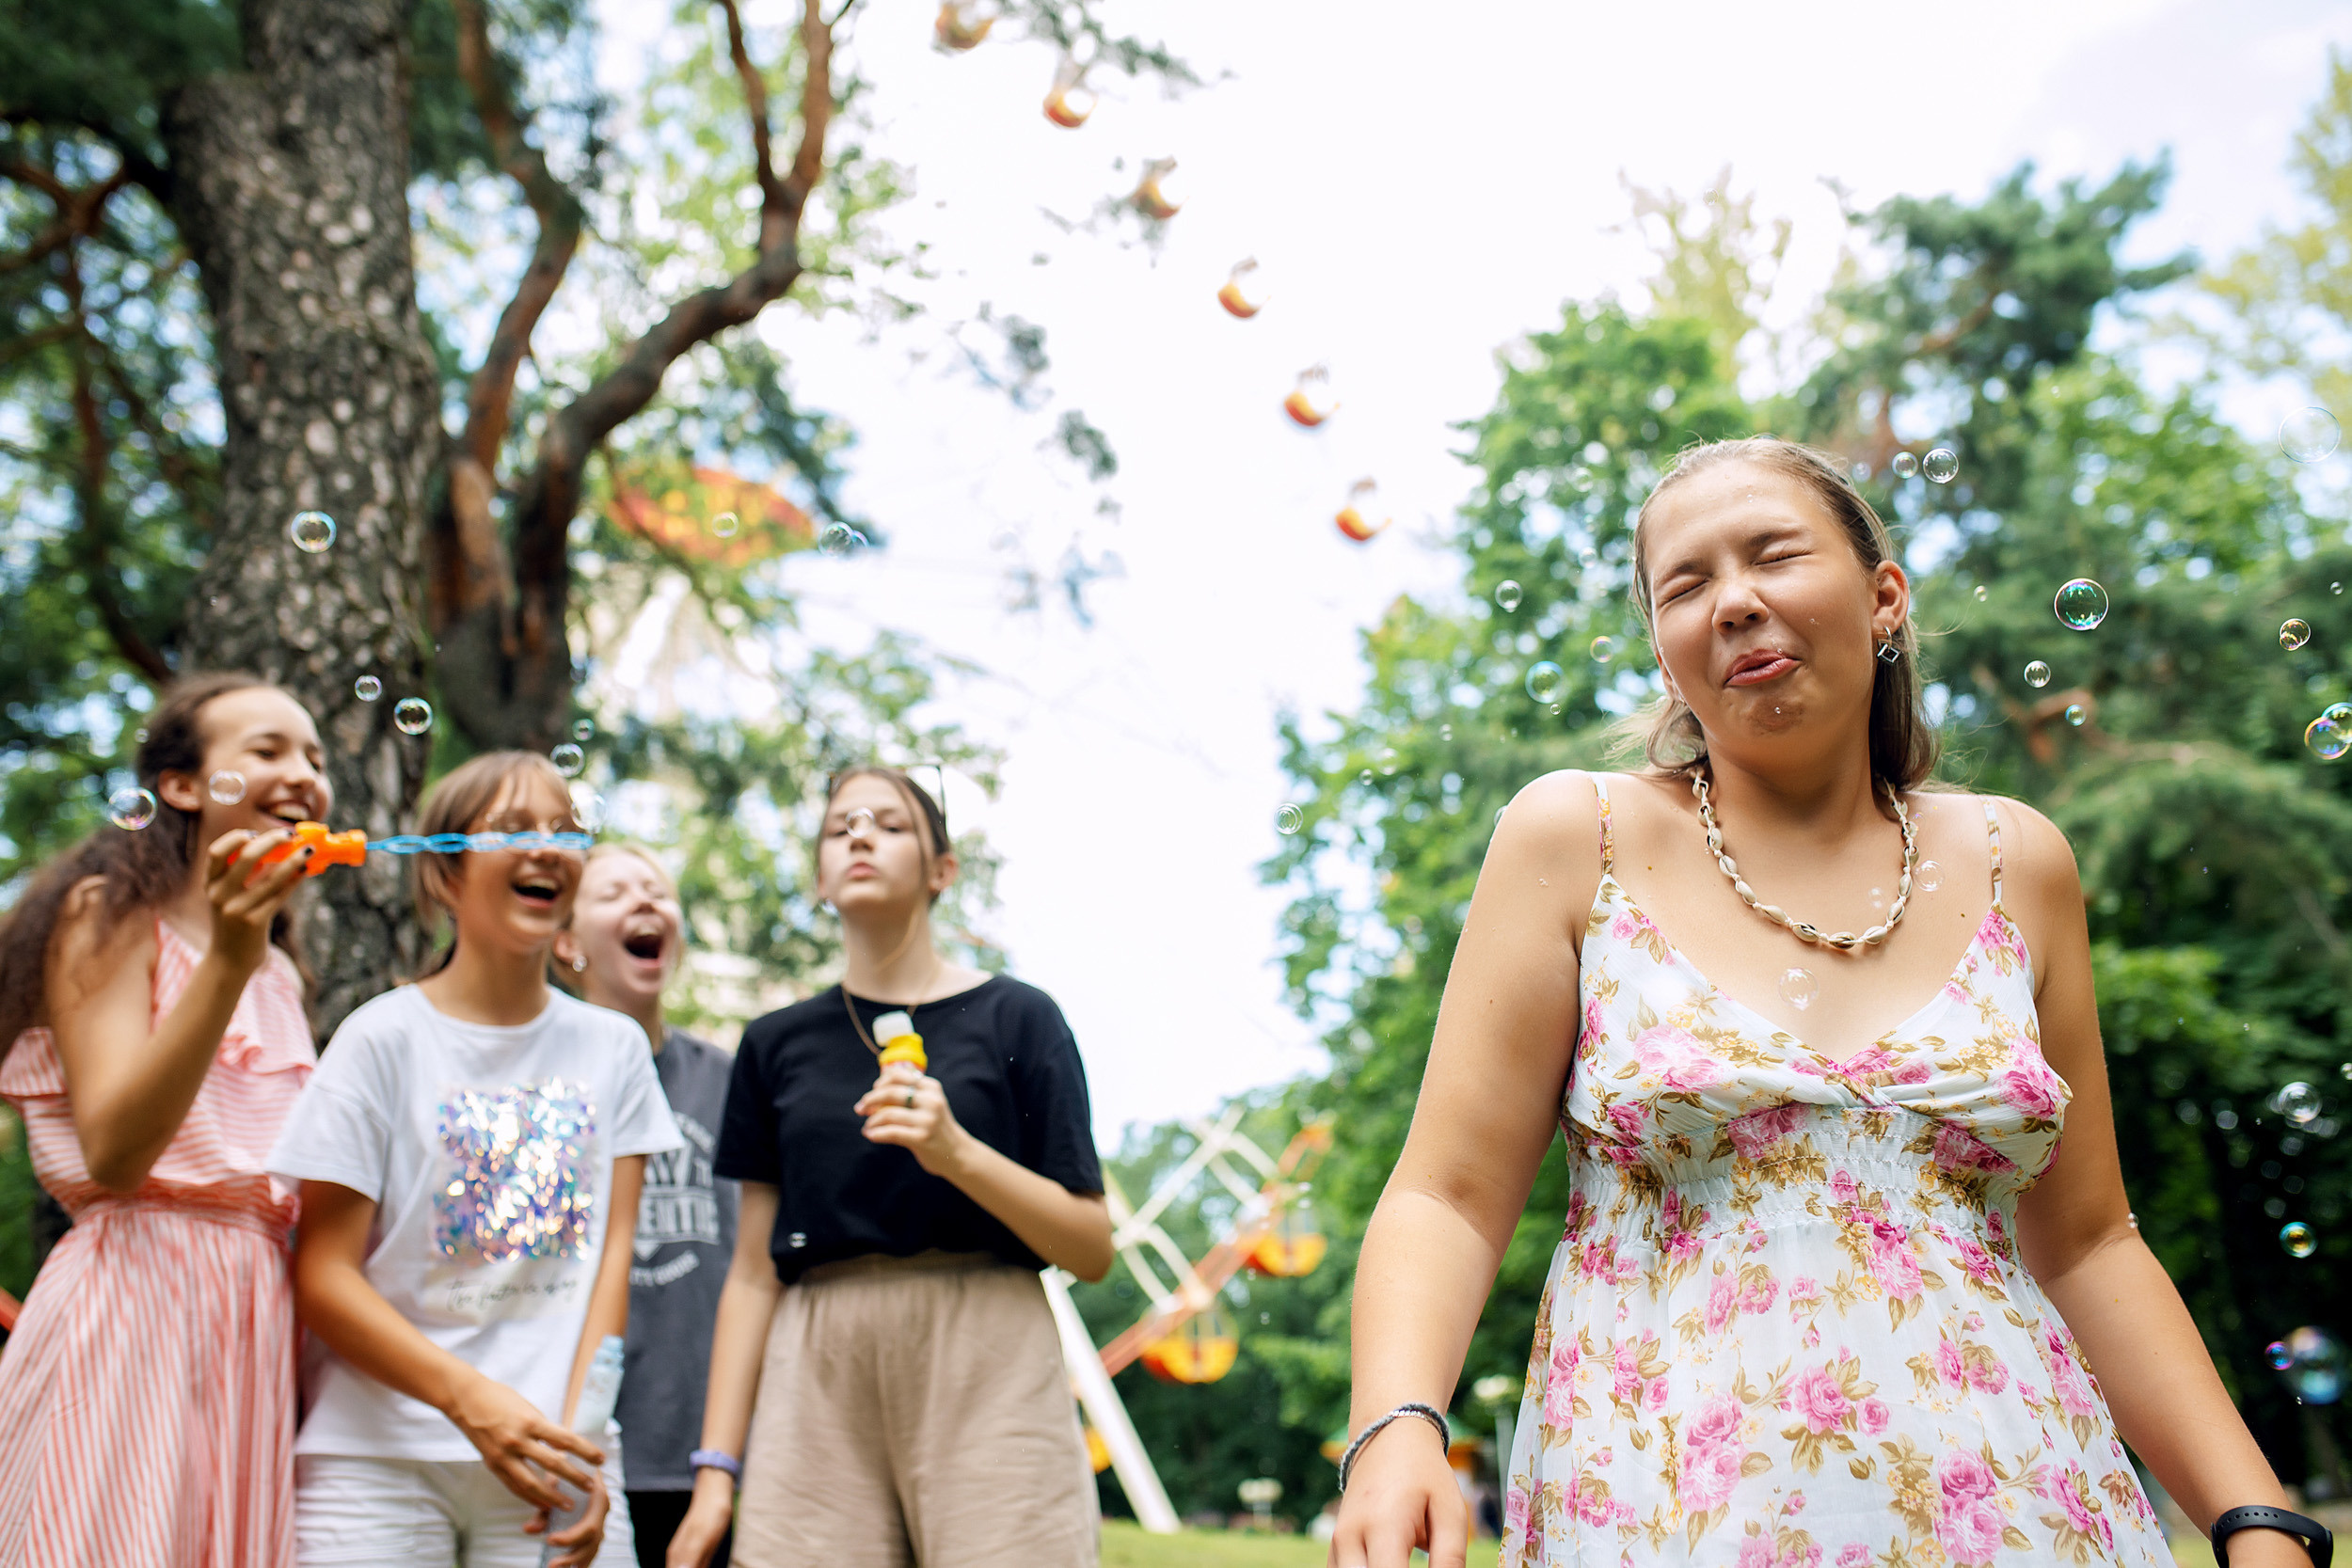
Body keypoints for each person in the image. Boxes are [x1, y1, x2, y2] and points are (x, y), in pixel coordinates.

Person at [1330, 438, 2325, 1568]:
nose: (1736, 601)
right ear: (1664, 653)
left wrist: (2257, 1515)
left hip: (2021, 1503)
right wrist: (1397, 1422)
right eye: (1687, 585)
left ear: (1884, 597)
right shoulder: (1576, 836)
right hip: (1664, 1505)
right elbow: (1448, 1197)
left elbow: (2091, 1241)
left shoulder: (2019, 861)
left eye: (1772, 555)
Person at [667, 766, 1113, 1568]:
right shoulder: (773, 1043)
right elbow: (750, 1276)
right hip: (817, 1358)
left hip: (991, 1345)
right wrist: (715, 1473)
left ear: (943, 868)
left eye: (889, 823)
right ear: (819, 877)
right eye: (840, 827)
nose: (860, 835)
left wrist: (959, 1154)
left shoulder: (1021, 1015)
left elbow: (1089, 1245)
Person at [269, 752, 684, 1568]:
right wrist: (473, 1402)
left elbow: (609, 1266)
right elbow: (322, 1275)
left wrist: (583, 1446)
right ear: (445, 877)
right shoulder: (379, 1039)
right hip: (375, 1458)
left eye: (564, 829)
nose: (546, 846)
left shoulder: (615, 1048)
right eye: (512, 827)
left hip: (553, 1455)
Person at [0, 673, 331, 1567]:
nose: (303, 773)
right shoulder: (106, 911)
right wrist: (226, 961)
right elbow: (112, 1149)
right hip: (132, 1305)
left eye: (315, 755)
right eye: (267, 749)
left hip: (253, 1326)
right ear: (182, 787)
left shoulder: (279, 972)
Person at [553, 843, 739, 1568]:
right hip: (574, 1441)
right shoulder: (544, 1078)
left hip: (704, 1453)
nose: (645, 902)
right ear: (566, 941)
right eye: (614, 892)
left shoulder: (727, 1080)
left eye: (658, 890)